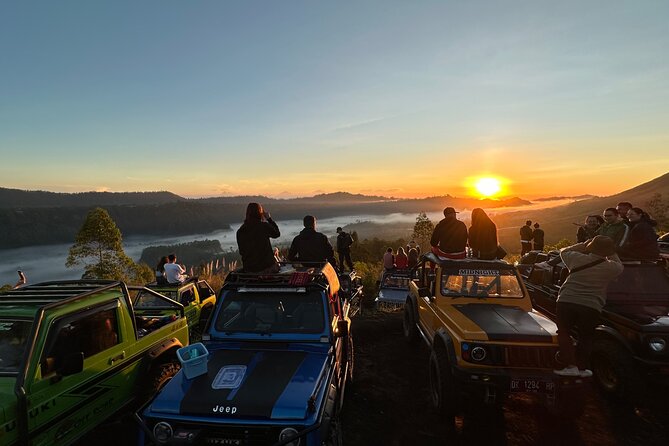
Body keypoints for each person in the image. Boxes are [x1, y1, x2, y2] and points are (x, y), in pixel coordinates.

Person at [554, 236, 623, 377]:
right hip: (591, 305)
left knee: (564, 333)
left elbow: (563, 251)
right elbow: (619, 264)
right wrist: (611, 252)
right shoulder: (611, 267)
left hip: (567, 301)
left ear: (591, 246)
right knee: (586, 337)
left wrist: (583, 245)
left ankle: (570, 366)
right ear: (608, 251)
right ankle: (582, 368)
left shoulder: (576, 258)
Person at [236, 202, 281, 273]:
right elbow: (277, 234)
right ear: (260, 213)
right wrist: (269, 219)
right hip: (266, 267)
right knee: (279, 264)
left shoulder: (241, 231)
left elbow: (242, 252)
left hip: (249, 269)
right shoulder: (264, 226)